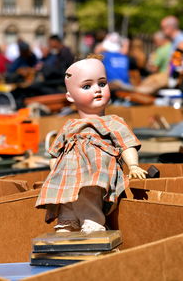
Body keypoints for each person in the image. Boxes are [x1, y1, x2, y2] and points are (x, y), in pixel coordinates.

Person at [36, 54, 147, 232]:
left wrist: (133, 165)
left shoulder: (112, 122)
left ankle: (93, 221)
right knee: (67, 195)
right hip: (69, 174)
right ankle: (68, 219)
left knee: (89, 190)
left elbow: (127, 144)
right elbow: (55, 153)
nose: (97, 90)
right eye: (87, 86)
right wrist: (56, 171)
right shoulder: (69, 126)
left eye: (102, 84)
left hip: (96, 170)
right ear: (70, 96)